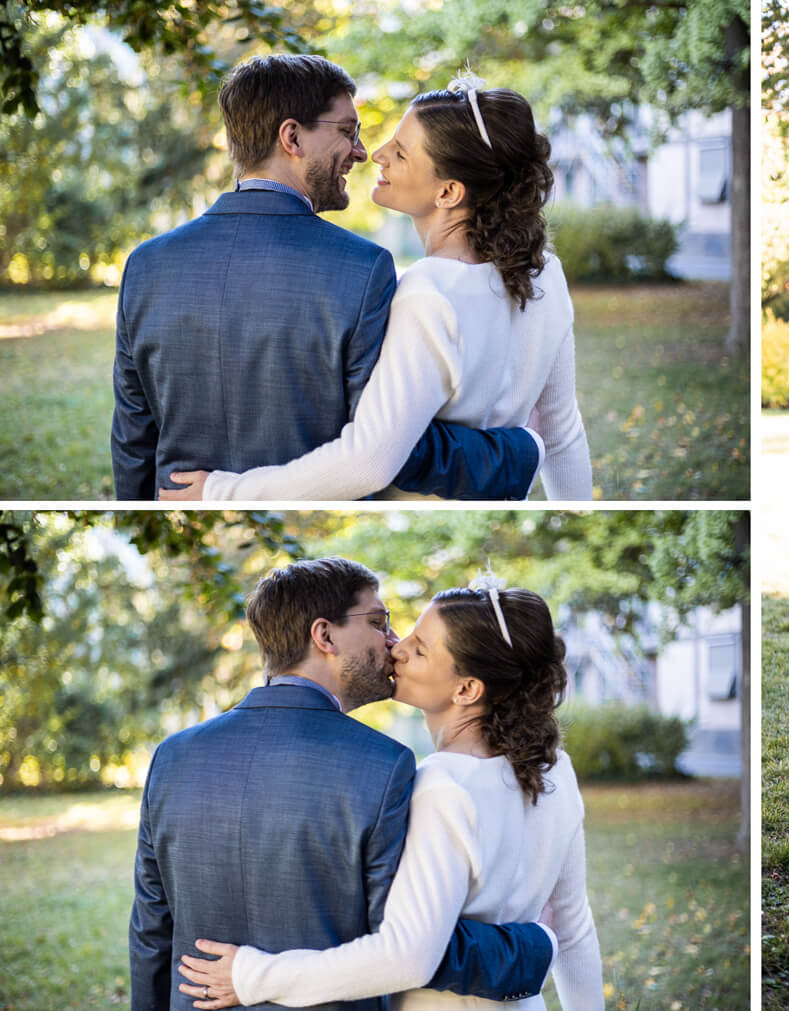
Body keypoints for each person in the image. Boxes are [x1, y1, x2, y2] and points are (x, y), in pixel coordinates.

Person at [129, 558, 554, 1011]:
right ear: (325, 635)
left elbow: (151, 935)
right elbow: (411, 945)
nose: (393, 641)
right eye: (377, 622)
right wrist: (535, 946)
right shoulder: (384, 766)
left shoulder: (171, 757)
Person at [112, 54, 541, 503]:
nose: (360, 152)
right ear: (292, 137)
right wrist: (520, 451)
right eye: (346, 131)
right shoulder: (363, 268)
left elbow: (132, 440)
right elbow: (395, 448)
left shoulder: (145, 264)